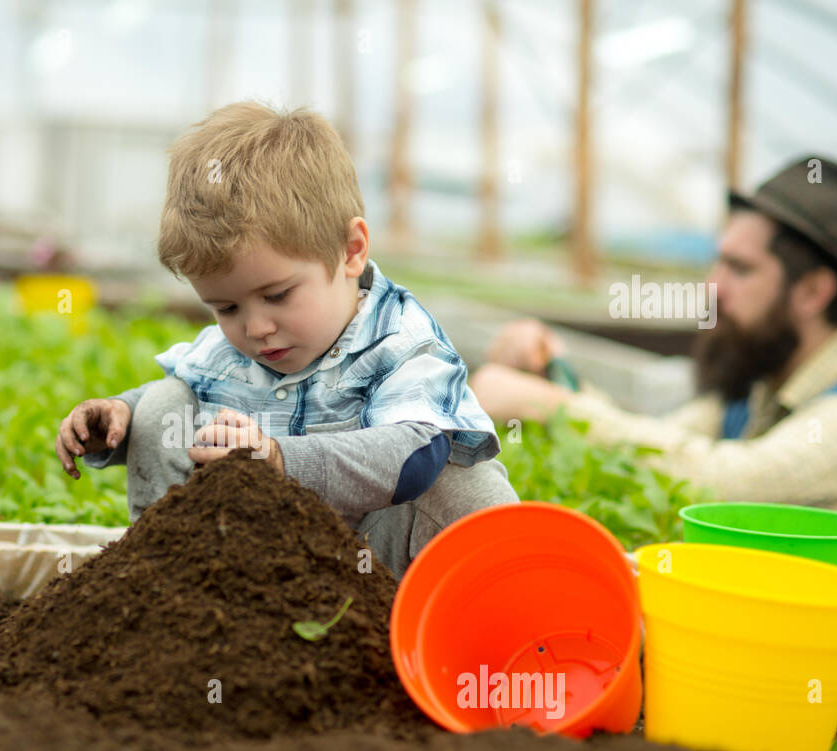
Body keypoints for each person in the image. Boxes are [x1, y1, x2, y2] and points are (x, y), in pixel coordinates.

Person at [54, 101, 518, 580]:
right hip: (255, 574)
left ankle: (504, 599)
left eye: (277, 295)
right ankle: (164, 584)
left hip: (377, 570)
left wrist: (279, 459)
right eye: (226, 308)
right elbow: (184, 401)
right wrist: (119, 417)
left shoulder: (400, 344)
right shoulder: (231, 351)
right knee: (164, 402)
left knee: (463, 486)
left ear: (350, 250)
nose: (255, 329)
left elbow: (413, 458)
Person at [469, 156, 837, 515]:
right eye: (718, 262)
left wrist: (549, 406)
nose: (713, 287)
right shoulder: (764, 377)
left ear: (813, 292)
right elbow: (662, 444)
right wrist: (552, 374)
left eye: (740, 269)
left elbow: (722, 483)